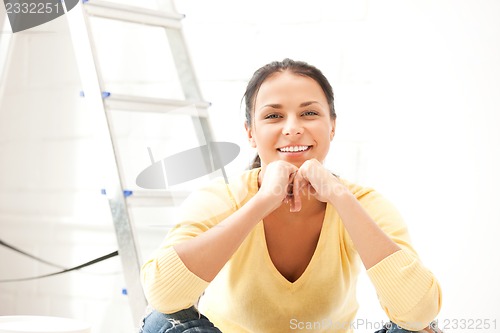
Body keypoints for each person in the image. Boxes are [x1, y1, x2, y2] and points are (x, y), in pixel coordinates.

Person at [139, 59, 442, 333]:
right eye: (273, 116)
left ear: (332, 126)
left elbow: (418, 313)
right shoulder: (224, 197)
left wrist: (340, 196)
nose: (293, 128)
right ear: (250, 133)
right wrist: (261, 202)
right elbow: (163, 294)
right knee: (162, 322)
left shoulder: (364, 203)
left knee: (422, 329)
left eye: (309, 113)